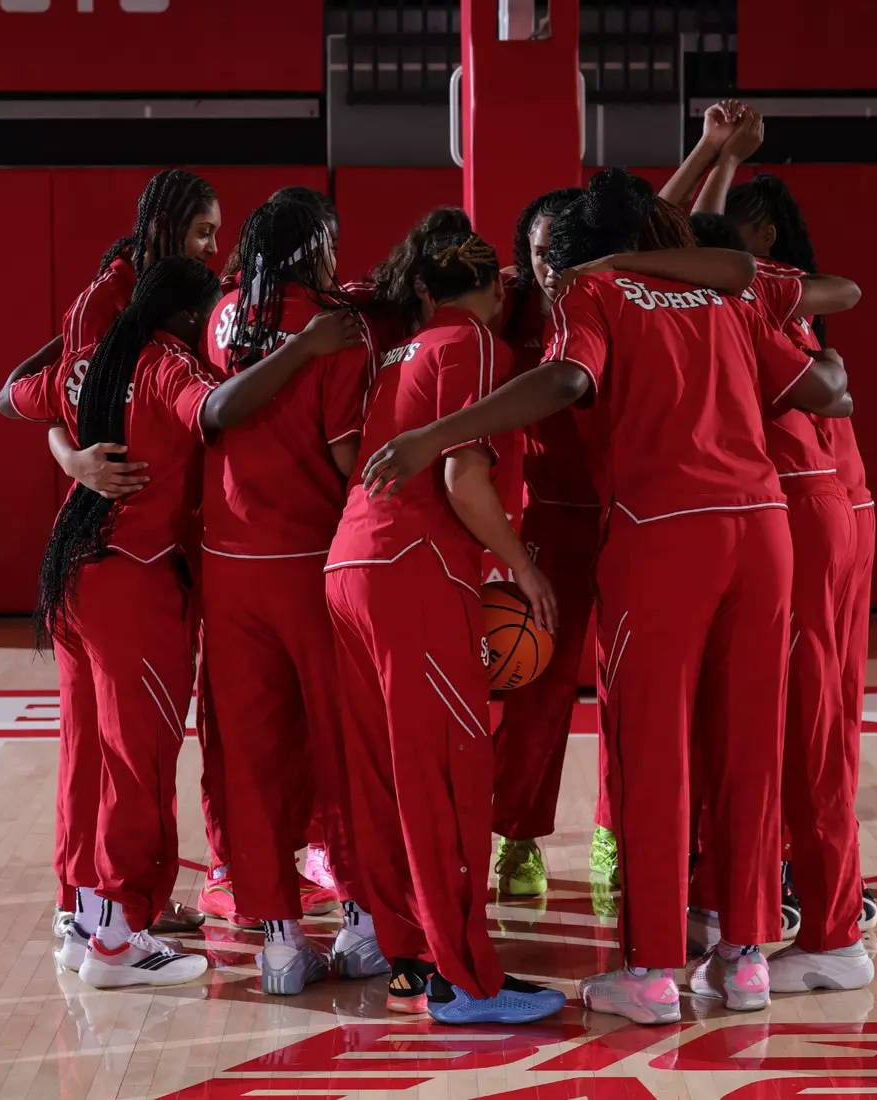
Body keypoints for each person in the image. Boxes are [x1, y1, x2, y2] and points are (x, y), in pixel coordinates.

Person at [361, 169, 851, 1024]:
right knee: (748, 750)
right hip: (765, 528)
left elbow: (563, 384)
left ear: (585, 250)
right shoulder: (728, 299)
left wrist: (437, 432)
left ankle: (655, 971)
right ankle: (744, 961)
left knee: (652, 754)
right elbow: (823, 389)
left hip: (665, 536)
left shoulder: (596, 291)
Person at [0, 257, 355, 988]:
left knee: (87, 758)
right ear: (190, 318)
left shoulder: (88, 360)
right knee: (138, 766)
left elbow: (11, 398)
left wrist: (69, 430)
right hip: (134, 580)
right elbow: (217, 410)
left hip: (73, 574)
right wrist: (307, 348)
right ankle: (120, 941)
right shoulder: (163, 363)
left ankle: (87, 917)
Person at [325, 229, 567, 1026]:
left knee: (383, 775)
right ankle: (465, 980)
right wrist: (523, 567)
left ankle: (407, 953)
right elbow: (465, 479)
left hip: (349, 563)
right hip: (416, 572)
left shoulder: (401, 350)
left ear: (424, 291)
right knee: (448, 778)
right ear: (493, 294)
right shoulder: (481, 346)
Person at [7, 169, 221, 946]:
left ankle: (86, 902)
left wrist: (69, 451)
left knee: (95, 745)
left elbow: (27, 393)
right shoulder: (128, 318)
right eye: (202, 233)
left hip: (83, 558)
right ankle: (118, 920)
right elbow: (52, 394)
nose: (214, 247)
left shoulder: (134, 317)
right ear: (163, 230)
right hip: (130, 557)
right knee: (131, 752)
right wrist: (74, 460)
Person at [198, 197, 385, 994]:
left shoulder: (223, 316)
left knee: (253, 755)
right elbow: (347, 455)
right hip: (312, 561)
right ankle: (360, 923)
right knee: (340, 748)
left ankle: (277, 937)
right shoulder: (339, 331)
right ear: (319, 247)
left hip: (228, 564)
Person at [722, 168, 877, 937]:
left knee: (802, 713)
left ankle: (800, 872)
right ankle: (831, 874)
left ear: (763, 236)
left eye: (730, 223)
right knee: (827, 711)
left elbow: (836, 388)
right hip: (846, 499)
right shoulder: (783, 295)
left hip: (808, 505)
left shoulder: (756, 293)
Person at [488, 187, 617, 899]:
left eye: (565, 253)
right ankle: (518, 836)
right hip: (551, 527)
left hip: (626, 518)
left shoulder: (615, 301)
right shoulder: (512, 308)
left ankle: (614, 832)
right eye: (541, 253)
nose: (552, 267)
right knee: (537, 690)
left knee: (629, 694)